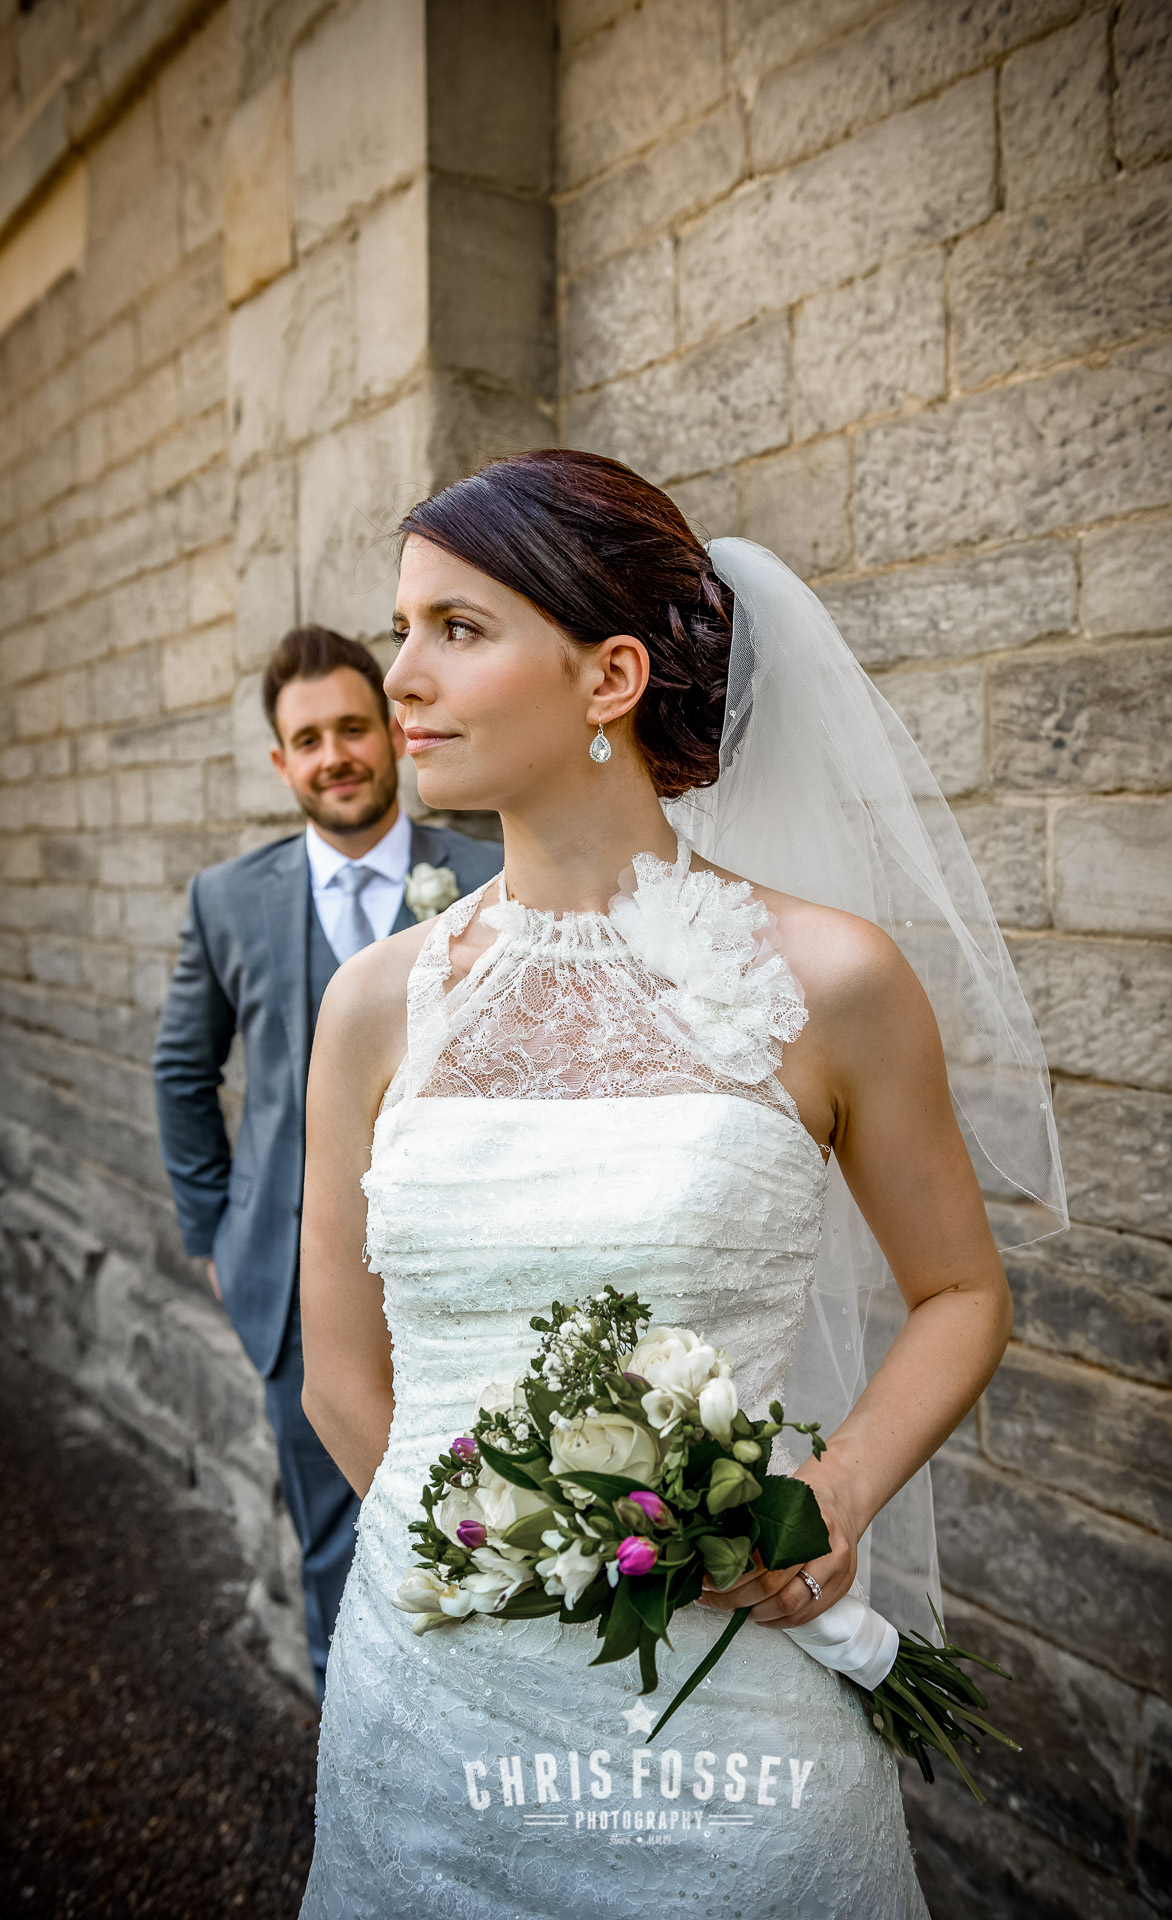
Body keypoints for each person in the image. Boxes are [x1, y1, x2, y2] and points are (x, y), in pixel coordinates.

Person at [297, 452, 1064, 1916]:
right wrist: (490, 1568)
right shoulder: (378, 1007)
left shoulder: (830, 980)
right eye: (401, 627)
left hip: (726, 1704)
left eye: (457, 629)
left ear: (611, 677)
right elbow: (342, 1378)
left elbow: (963, 1291)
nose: (401, 676)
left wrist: (832, 1496)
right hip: (431, 1707)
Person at [152, 626, 503, 1701]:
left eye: (354, 727)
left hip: (470, 1273)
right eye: (308, 739)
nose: (335, 754)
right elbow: (181, 1076)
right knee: (334, 1541)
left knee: (496, 1519)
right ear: (282, 762)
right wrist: (213, 1235)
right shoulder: (229, 899)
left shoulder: (491, 870)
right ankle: (349, 1728)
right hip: (299, 1287)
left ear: (392, 734)